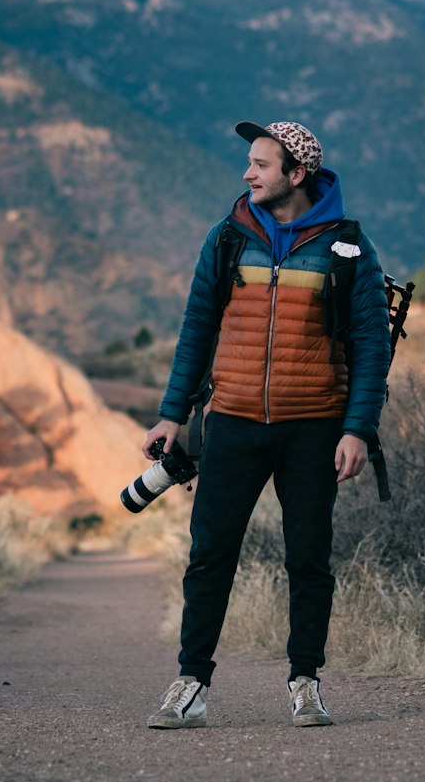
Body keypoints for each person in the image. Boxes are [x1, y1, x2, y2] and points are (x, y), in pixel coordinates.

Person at [142, 119, 391, 730]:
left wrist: (357, 429)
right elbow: (196, 328)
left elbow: (370, 345)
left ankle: (305, 682)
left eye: (260, 164)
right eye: (249, 162)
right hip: (230, 422)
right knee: (209, 556)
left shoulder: (347, 247)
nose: (247, 173)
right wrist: (173, 415)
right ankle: (191, 684)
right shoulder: (228, 238)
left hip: (314, 428)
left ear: (296, 175)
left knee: (308, 560)